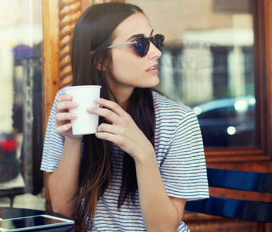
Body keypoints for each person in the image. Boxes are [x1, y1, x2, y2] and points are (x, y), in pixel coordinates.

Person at [41, 3, 209, 232]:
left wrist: (144, 154)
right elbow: (61, 210)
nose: (156, 52)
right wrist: (73, 140)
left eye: (154, 40)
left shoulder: (179, 120)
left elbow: (164, 230)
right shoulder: (70, 103)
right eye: (139, 44)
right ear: (99, 60)